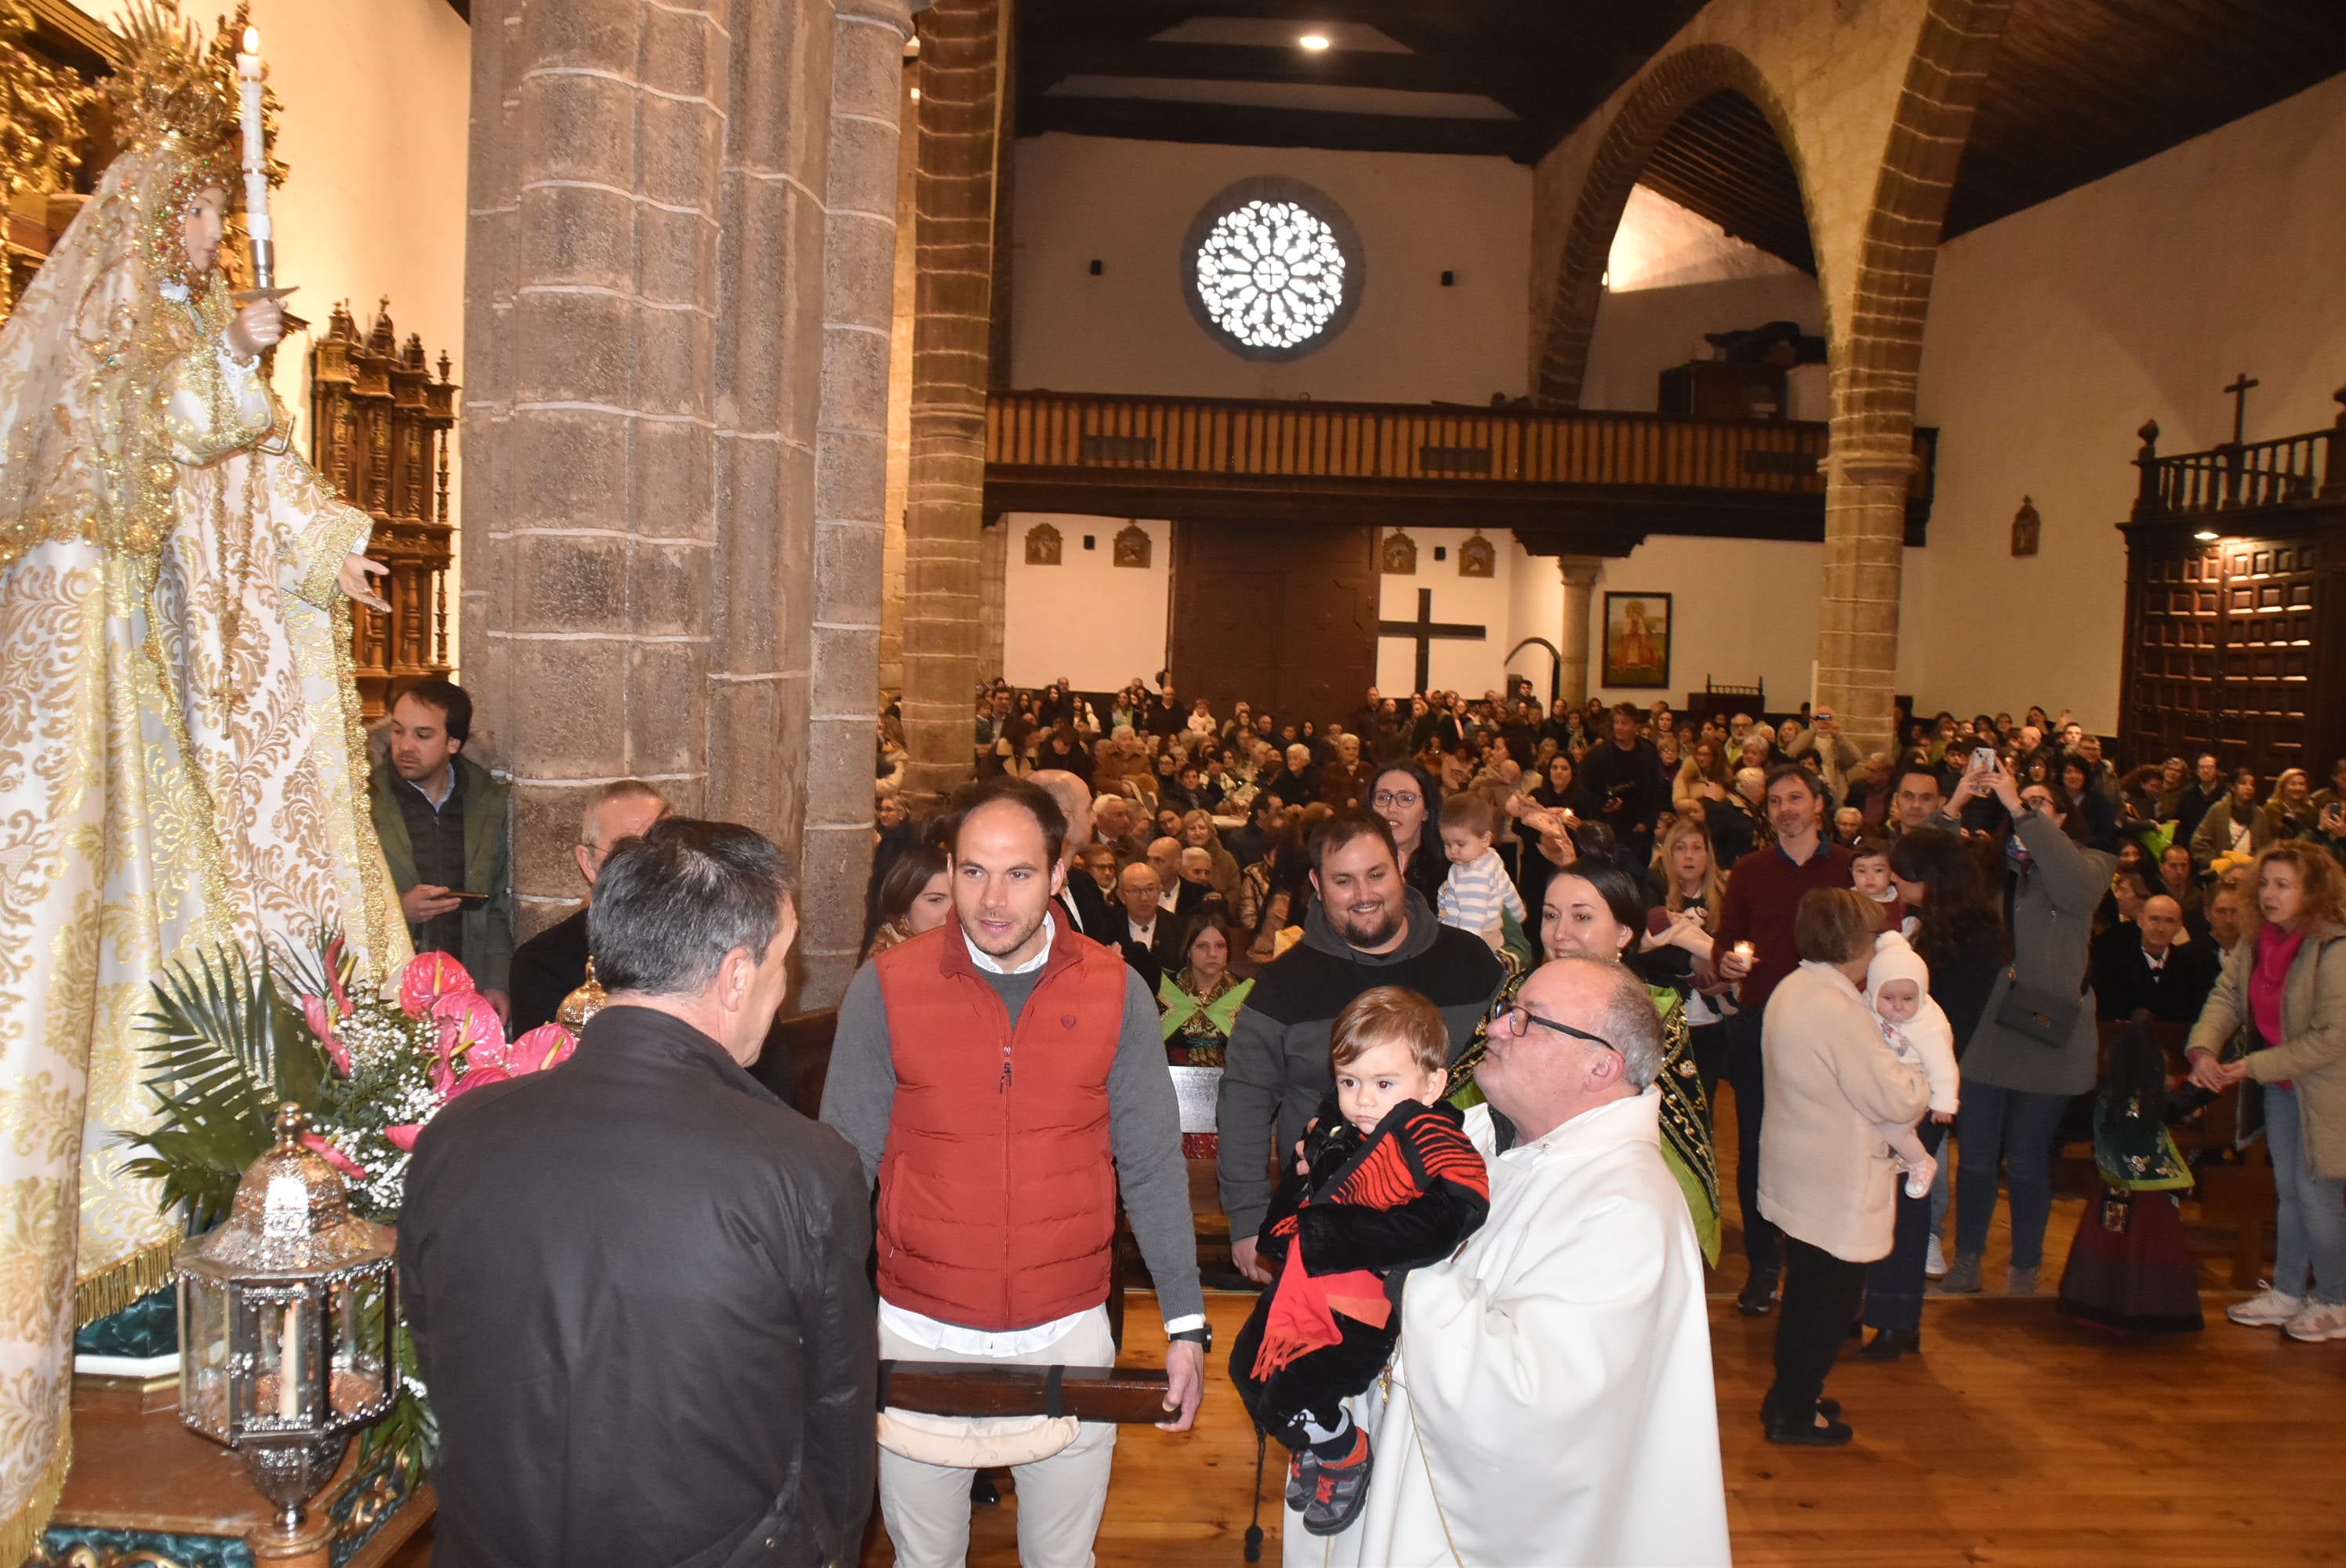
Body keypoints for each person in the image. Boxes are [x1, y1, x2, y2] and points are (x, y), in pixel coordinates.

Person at [0, 27, 419, 1514]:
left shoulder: (196, 330)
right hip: (150, 683)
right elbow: (114, 462)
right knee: (168, 949)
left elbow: (262, 495)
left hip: (224, 691)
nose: (210, 231)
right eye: (193, 208)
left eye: (213, 213)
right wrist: (231, 361)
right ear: (151, 201)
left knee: (253, 932)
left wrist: (337, 549)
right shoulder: (125, 336)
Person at [401, 818, 873, 1567]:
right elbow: (836, 1415)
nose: (789, 986)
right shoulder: (803, 1167)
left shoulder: (455, 1137)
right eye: (786, 959)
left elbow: (435, 1371)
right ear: (737, 975)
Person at [821, 777, 1204, 1568]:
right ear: (949, 868)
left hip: (1062, 1326)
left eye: (1019, 872)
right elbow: (842, 1168)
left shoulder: (1113, 989)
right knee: (924, 1559)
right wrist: (816, 1324)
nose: (992, 898)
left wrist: (1185, 1322)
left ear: (1059, 872)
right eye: (972, 871)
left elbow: (1151, 1163)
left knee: (1061, 1560)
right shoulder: (886, 988)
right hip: (919, 1326)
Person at [1306, 956, 1730, 1567]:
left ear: (1601, 1066)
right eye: (1510, 1009)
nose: (1498, 1026)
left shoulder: (1627, 1209)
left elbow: (1533, 1402)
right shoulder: (1472, 1135)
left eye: (1530, 1021)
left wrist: (1399, 1270)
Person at [1231, 987, 1489, 1537]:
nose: (1363, 1100)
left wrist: (1340, 1233)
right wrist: (1306, 1179)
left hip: (1358, 1311)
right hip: (1301, 1291)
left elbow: (1458, 1210)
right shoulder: (1341, 1133)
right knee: (1245, 1373)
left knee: (1286, 1399)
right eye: (1349, 1082)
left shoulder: (1430, 1132)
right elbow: (1302, 1208)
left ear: (1433, 1083)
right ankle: (1318, 1440)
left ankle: (1341, 1450)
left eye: (1383, 1084)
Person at [1218, 811, 1505, 1282]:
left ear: (1401, 867)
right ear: (1317, 883)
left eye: (1377, 874)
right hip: (1326, 1231)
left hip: (1461, 1230)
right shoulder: (1282, 986)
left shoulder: (1472, 964)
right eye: (1344, 881)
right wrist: (1248, 1220)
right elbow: (1245, 1101)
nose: (1365, 895)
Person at [1758, 888, 1930, 1446]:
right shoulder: (1837, 1009)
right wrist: (1919, 1071)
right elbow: (1897, 1099)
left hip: (1801, 1168)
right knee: (1825, 1304)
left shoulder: (1794, 988)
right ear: (1854, 944)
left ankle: (1789, 1395)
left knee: (1807, 1291)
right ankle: (1794, 1410)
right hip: (1835, 1179)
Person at [1939, 767, 2115, 1296]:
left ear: (2063, 819)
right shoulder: (1991, 869)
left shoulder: (2091, 866)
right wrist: (1956, 804)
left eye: (2042, 805)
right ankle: (1967, 1260)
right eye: (2022, 801)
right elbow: (1930, 867)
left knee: (2027, 1159)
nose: (2028, 807)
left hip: (2050, 1034)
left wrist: (2019, 806)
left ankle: (2024, 1268)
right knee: (1974, 1157)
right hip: (1990, 1030)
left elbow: (2075, 890)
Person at [2186, 843, 2346, 1342]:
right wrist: (2203, 1049)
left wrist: (2251, 1066)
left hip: (2326, 1090)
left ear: (2313, 892)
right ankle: (2289, 1292)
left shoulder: (2334, 947)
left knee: (2318, 1195)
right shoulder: (2257, 941)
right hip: (2279, 1086)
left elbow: (2333, 1036)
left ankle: (2337, 1302)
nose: (2269, 894)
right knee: (2290, 1193)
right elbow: (2228, 995)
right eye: (2265, 883)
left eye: (2284, 885)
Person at [1714, 764, 1854, 1313]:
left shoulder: (1845, 868)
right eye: (1775, 801)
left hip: (1829, 1031)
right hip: (1761, 1024)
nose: (1786, 809)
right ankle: (1763, 1263)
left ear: (1819, 804)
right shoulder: (1750, 870)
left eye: (1796, 798)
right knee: (1757, 1146)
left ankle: (1814, 1260)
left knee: (1820, 1148)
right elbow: (1729, 939)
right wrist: (1726, 961)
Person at [1861, 827, 2004, 1352]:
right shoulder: (1931, 924)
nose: (1894, 877)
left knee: (1904, 1195)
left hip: (1926, 1085)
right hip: (1897, 1079)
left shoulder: (1974, 936)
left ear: (1932, 877)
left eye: (1903, 871)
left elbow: (1943, 1023)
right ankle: (1874, 1307)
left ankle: (1898, 1318)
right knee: (1881, 1193)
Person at [371, 678, 516, 1020]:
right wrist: (398, 911)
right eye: (397, 731)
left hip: (466, 989)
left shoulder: (486, 800)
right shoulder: (365, 801)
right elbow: (337, 897)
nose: (405, 746)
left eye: (422, 735)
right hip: (391, 990)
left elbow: (494, 901)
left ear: (453, 742)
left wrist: (496, 981)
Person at [507, 779, 669, 1035]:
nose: (649, 866)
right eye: (626, 851)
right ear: (588, 863)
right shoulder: (543, 963)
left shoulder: (711, 942)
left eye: (662, 848)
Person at [1865, 932, 1960, 1199]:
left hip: (1915, 1085)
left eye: (1908, 999)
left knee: (1892, 1130)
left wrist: (1944, 1102)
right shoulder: (1867, 1008)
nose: (1898, 1007)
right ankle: (1901, 1157)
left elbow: (1943, 1063)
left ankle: (1921, 1161)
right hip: (1885, 1082)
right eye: (1889, 998)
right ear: (1874, 993)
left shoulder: (1929, 1023)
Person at [2092, 893, 2219, 1022]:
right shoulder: (2112, 964)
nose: (2160, 928)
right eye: (2154, 919)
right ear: (2140, 920)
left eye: (2169, 921)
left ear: (2179, 927)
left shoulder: (2190, 967)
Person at [1434, 791, 1525, 953]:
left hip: (1475, 938)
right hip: (1488, 934)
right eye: (1447, 843)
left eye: (1460, 844)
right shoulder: (1491, 860)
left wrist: (1465, 949)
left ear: (1484, 839)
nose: (1453, 850)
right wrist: (1518, 913)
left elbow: (1473, 918)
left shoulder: (1474, 876)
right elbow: (1507, 889)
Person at [1578, 702, 1668, 863]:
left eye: (1624, 723)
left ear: (1636, 726)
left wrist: (1647, 822)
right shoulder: (1598, 755)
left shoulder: (1648, 753)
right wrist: (1602, 804)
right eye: (1616, 722)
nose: (1619, 727)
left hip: (1639, 832)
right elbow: (1584, 790)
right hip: (1607, 829)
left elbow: (1657, 791)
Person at [863, 832, 954, 960]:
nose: (953, 912)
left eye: (959, 900)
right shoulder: (885, 968)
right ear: (903, 902)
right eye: (936, 900)